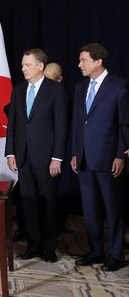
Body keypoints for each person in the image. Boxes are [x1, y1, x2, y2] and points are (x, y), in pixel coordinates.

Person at [5, 48, 68, 263]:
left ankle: (49, 247)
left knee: (48, 203)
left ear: (40, 66)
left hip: (47, 158)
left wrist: (57, 157)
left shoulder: (56, 90)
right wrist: (10, 152)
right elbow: (12, 123)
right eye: (22, 65)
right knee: (28, 203)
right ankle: (33, 245)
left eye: (27, 65)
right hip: (23, 157)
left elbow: (61, 126)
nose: (23, 69)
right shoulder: (18, 89)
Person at [71, 43, 126, 272]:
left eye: (83, 60)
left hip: (108, 159)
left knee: (113, 209)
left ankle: (115, 254)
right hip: (84, 159)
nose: (79, 64)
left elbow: (125, 124)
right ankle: (95, 251)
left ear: (97, 61)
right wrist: (75, 152)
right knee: (90, 209)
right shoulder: (80, 87)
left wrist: (120, 155)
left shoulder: (120, 87)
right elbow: (77, 123)